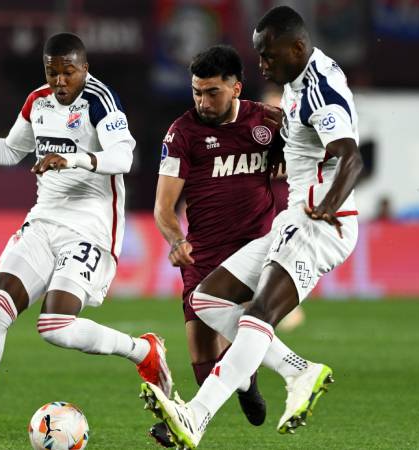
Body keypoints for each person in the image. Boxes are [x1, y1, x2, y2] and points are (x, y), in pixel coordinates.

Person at [0, 33, 172, 450]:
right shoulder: (37, 102)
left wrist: (75, 158)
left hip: (90, 228)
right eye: (52, 71)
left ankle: (143, 350)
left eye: (69, 71)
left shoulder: (100, 101)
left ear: (84, 68)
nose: (60, 80)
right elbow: (12, 151)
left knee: (54, 325)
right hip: (43, 221)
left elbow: (125, 157)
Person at [139, 6, 363, 448]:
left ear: (297, 47)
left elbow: (351, 157)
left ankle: (196, 417)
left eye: (268, 56)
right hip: (293, 220)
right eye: (259, 56)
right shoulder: (299, 83)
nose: (262, 64)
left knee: (258, 316)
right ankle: (299, 370)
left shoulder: (316, 88)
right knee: (208, 298)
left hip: (319, 222)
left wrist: (327, 207)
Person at [150, 44, 316, 447]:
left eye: (212, 92)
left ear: (236, 88)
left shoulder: (269, 122)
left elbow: (310, 153)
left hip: (257, 249)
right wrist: (176, 240)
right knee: (204, 363)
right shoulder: (182, 132)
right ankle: (246, 383)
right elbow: (162, 206)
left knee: (246, 323)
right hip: (203, 254)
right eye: (196, 92)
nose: (202, 101)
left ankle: (191, 418)